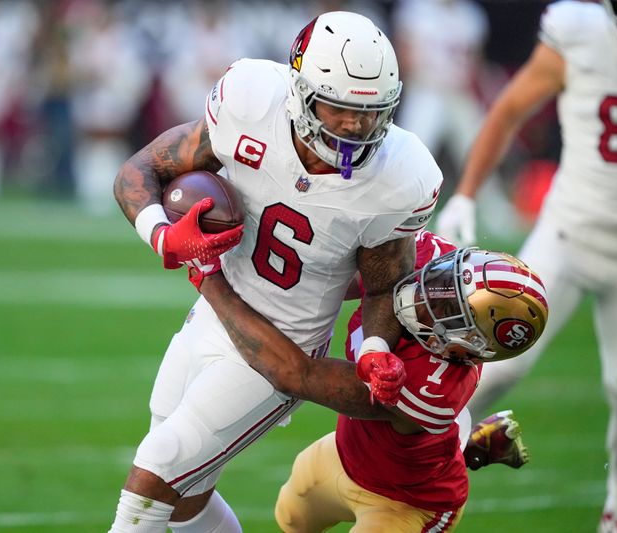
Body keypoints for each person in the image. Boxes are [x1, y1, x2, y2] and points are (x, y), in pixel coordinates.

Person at [110, 11, 442, 532]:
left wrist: (375, 348)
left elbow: (384, 284)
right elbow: (141, 170)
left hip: (282, 345)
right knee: (184, 496)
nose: (357, 126)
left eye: (372, 112)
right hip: (213, 315)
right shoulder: (249, 100)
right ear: (301, 91)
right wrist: (163, 234)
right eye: (340, 109)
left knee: (159, 468)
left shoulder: (401, 175)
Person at [192, 231, 548, 532]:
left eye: (447, 308)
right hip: (345, 453)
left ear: (468, 346)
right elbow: (345, 279)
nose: (428, 292)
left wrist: (212, 280)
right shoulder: (432, 254)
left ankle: (464, 448)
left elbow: (297, 374)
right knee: (290, 518)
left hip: (406, 502)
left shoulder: (434, 387)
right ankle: (473, 443)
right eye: (445, 281)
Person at [434, 2, 617, 530]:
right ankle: (395, 458)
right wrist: (466, 194)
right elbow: (511, 107)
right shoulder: (581, 32)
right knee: (499, 361)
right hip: (569, 231)